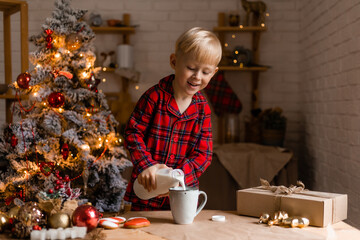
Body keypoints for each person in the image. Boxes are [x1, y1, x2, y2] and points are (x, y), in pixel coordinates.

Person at [124, 27, 222, 210]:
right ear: (174, 61)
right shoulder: (153, 98)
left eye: (205, 72)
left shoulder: (203, 110)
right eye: (191, 68)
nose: (197, 76)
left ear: (214, 73)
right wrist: (147, 166)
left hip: (182, 193)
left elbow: (204, 154)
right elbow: (133, 133)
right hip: (148, 189)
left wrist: (178, 175)